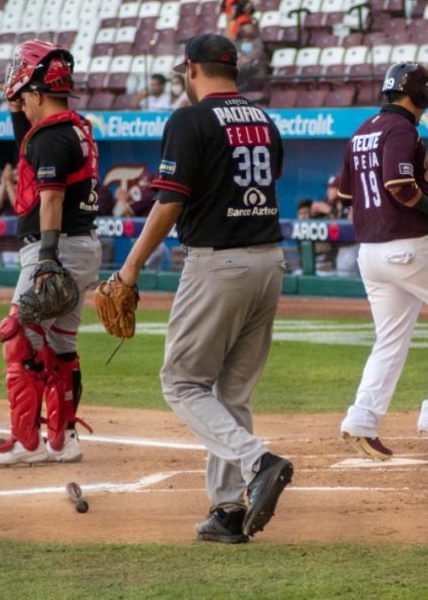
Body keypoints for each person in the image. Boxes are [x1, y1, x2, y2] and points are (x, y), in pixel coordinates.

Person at [113, 33, 294, 543]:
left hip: (220, 264)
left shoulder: (189, 119)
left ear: (191, 70)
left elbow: (169, 203)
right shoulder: (264, 120)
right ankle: (228, 511)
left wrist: (128, 270)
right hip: (268, 260)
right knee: (231, 392)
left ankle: (258, 460)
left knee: (182, 382)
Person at [337, 62, 428, 461]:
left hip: (370, 251)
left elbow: (346, 195)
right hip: (409, 245)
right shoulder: (402, 129)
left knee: (390, 339)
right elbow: (399, 186)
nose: (427, 108)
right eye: (426, 99)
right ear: (415, 95)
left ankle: (361, 420)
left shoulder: (362, 130)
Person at [0, 39, 102, 466]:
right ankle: (63, 440)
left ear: (38, 93)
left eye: (24, 98)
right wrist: (14, 106)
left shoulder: (50, 138)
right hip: (83, 247)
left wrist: (47, 256)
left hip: (56, 247)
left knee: (20, 339)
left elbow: (49, 199)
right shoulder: (71, 129)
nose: (21, 104)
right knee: (62, 347)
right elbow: (27, 143)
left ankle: (25, 442)